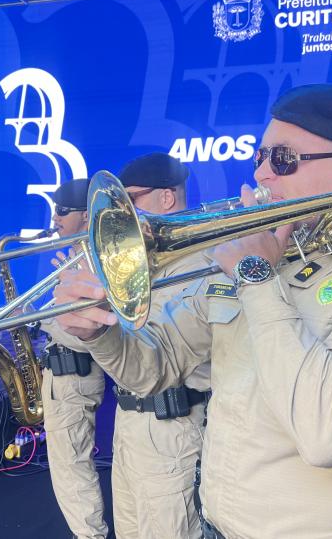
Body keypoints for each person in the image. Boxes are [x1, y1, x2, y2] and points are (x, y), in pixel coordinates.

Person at [51, 84, 332, 538]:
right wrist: (100, 332)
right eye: (260, 158)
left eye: (282, 159)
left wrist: (259, 280)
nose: (262, 175)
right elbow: (156, 367)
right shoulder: (247, 266)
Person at [108, 153, 210, 539]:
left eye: (131, 201)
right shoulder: (140, 262)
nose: (123, 214)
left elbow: (163, 349)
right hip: (129, 420)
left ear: (166, 199)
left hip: (174, 427)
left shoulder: (203, 261)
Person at [40, 178, 109, 539]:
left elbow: (94, 329)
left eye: (63, 211)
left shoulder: (89, 257)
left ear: (85, 215)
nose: (55, 218)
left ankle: (90, 535)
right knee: (70, 465)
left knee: (72, 467)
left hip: (74, 370)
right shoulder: (75, 253)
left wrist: (43, 323)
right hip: (66, 370)